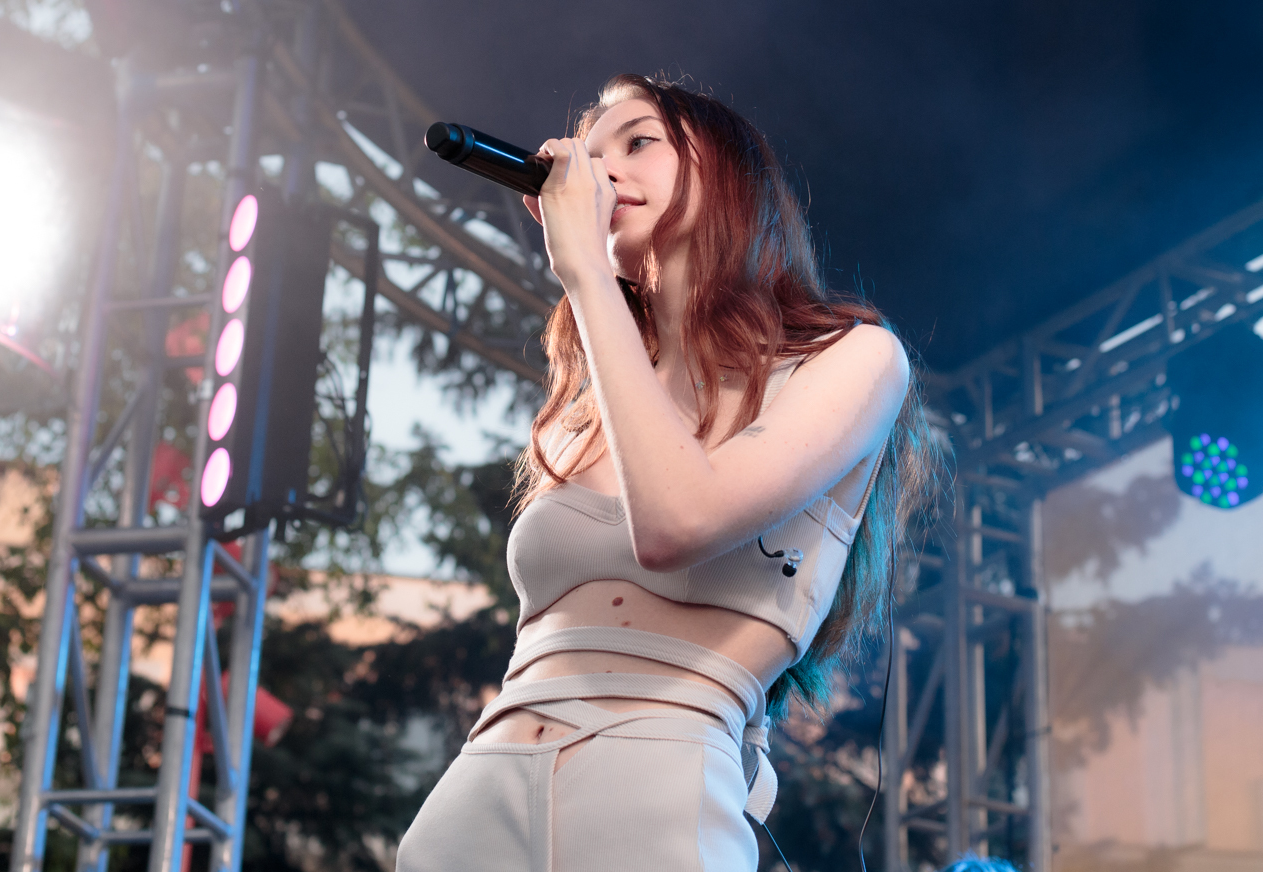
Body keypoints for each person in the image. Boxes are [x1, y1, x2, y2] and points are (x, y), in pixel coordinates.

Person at [396, 74, 937, 872]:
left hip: (658, 767)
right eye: (591, 155)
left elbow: (678, 523)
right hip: (481, 782)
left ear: (728, 176)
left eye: (638, 142)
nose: (601, 170)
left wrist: (585, 274)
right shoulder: (591, 411)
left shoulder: (854, 360)